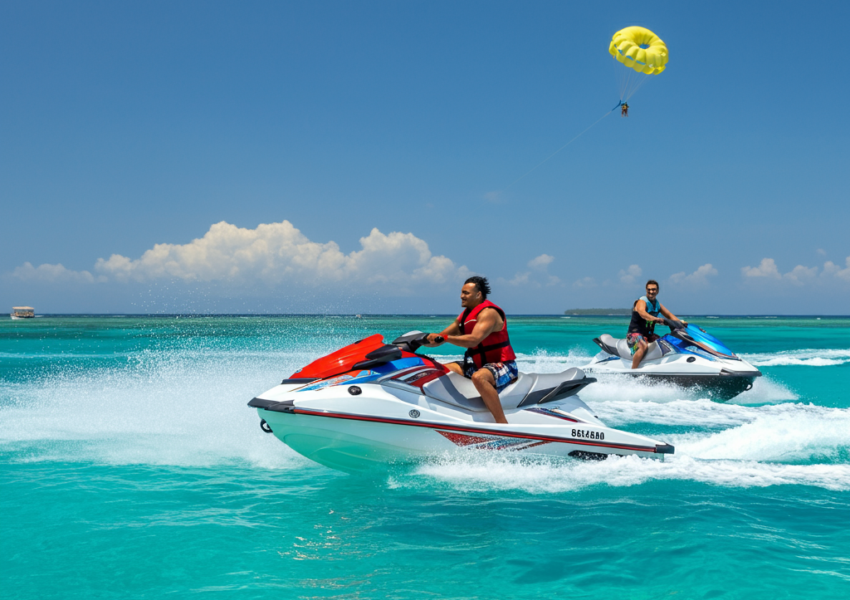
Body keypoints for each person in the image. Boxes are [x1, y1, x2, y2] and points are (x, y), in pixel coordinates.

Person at [425, 276, 517, 424]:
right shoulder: (465, 316)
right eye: (462, 292)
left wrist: (445, 338)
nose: (461, 296)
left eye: (466, 293)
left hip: (503, 365)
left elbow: (474, 339)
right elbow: (440, 338)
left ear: (478, 294)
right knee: (437, 369)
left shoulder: (489, 313)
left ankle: (502, 424)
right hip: (477, 365)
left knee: (478, 378)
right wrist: (419, 343)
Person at [628, 280, 686, 369]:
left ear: (658, 291)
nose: (651, 292)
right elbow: (642, 313)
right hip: (634, 334)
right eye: (649, 289)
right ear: (646, 290)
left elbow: (669, 315)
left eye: (654, 289)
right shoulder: (642, 301)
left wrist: (681, 323)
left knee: (665, 343)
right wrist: (656, 319)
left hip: (648, 334)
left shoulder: (657, 304)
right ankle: (633, 371)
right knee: (643, 346)